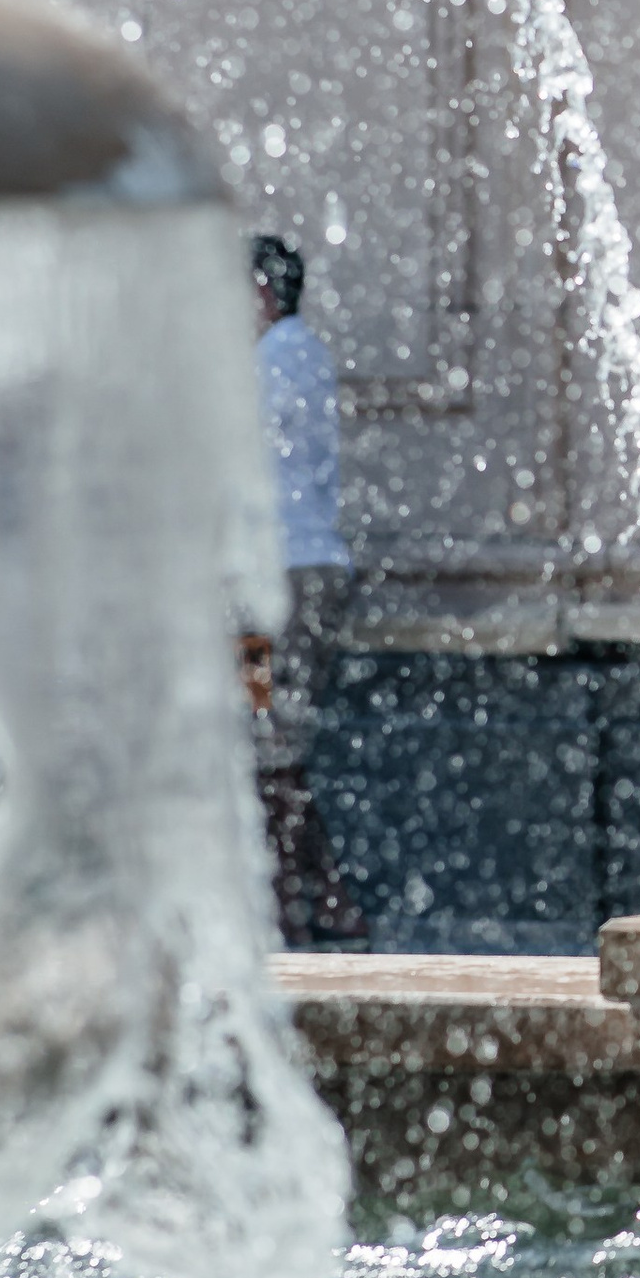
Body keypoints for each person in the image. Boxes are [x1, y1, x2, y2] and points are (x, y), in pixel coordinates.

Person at [246, 232, 367, 951]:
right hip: (287, 579)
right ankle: (323, 901)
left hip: (274, 588)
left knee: (267, 748)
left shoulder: (274, 360)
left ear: (259, 292)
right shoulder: (298, 356)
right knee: (267, 743)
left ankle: (300, 911)